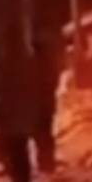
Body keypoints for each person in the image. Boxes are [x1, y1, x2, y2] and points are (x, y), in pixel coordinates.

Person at [0, 29, 38, 182]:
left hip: (10, 114)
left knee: (15, 155)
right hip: (23, 114)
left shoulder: (5, 64)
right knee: (21, 155)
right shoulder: (28, 64)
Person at [31, 37, 61, 173]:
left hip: (37, 105)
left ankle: (43, 160)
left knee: (40, 135)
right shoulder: (49, 65)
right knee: (46, 134)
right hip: (47, 104)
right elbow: (54, 83)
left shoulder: (32, 65)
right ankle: (47, 161)